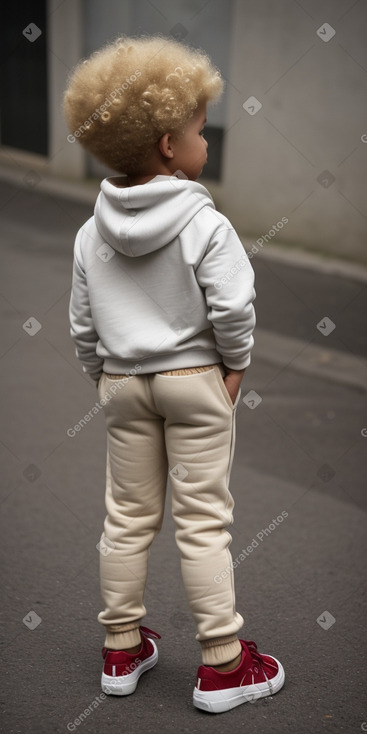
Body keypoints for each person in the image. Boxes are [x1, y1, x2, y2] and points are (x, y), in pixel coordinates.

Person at [64, 34, 285, 714]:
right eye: (198, 128)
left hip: (124, 385)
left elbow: (81, 326)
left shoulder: (89, 232)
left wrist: (105, 375)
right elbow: (233, 307)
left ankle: (121, 647)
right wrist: (236, 366)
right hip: (195, 381)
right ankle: (222, 663)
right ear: (167, 144)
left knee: (127, 518)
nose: (206, 140)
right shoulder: (205, 223)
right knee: (202, 524)